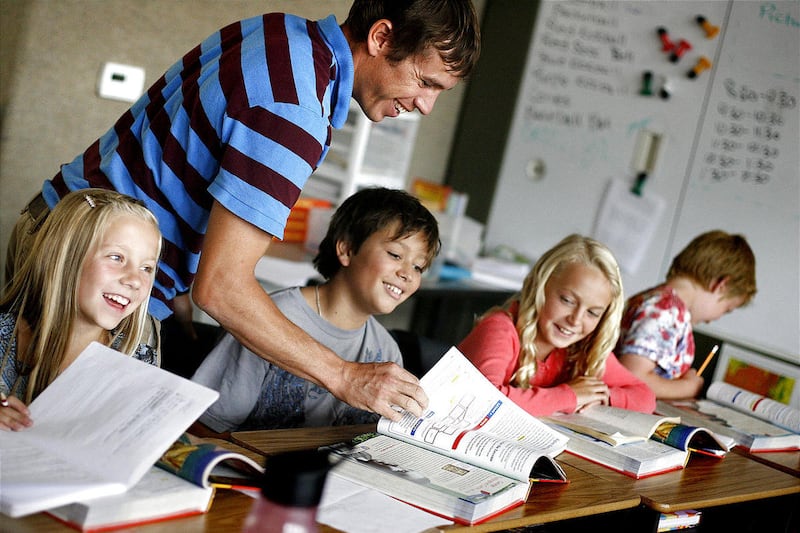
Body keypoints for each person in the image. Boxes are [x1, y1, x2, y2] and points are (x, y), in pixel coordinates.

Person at [4, 0, 481, 422]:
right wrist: (345, 376)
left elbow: (184, 170)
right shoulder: (294, 109)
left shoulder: (284, 33)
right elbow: (223, 287)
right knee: (49, 446)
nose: (426, 105)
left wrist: (177, 298)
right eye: (424, 81)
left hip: (58, 223)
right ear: (381, 38)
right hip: (85, 265)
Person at [190, 187, 439, 432]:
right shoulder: (268, 319)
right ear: (347, 249)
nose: (407, 274)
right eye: (395, 255)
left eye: (418, 267)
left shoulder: (386, 352)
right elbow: (206, 425)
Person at [0, 189, 162, 431]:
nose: (134, 280)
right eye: (116, 257)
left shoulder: (136, 362)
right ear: (64, 259)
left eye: (146, 268)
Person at [458, 234, 656, 417]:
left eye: (592, 313)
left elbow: (645, 398)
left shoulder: (583, 349)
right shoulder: (500, 329)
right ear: (540, 286)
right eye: (567, 301)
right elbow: (484, 402)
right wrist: (571, 396)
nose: (576, 320)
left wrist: (601, 395)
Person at [616, 230, 756, 400]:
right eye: (727, 309)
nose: (716, 319)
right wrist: (686, 388)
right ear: (721, 286)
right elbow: (633, 377)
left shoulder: (653, 300)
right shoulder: (665, 311)